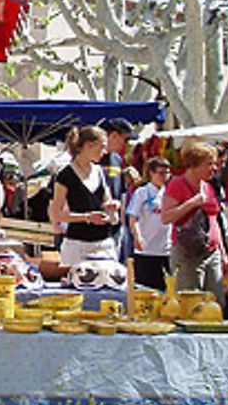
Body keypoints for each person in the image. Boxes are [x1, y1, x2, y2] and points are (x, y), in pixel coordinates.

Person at [162, 140, 225, 304]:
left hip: (211, 252)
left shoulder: (208, 187)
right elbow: (166, 217)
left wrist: (221, 250)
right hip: (187, 252)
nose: (214, 168)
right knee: (189, 303)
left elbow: (213, 219)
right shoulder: (177, 184)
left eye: (214, 164)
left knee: (217, 301)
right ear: (194, 165)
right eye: (209, 164)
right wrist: (191, 203)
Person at [49, 125, 121, 267]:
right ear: (89, 145)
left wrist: (113, 206)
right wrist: (87, 217)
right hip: (77, 244)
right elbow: (56, 214)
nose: (104, 152)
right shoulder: (65, 175)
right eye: (102, 147)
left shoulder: (101, 172)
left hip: (104, 244)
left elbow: (108, 204)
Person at [126, 156, 172, 291]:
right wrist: (137, 236)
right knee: (145, 289)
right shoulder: (142, 193)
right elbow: (133, 217)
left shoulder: (169, 193)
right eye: (161, 173)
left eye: (167, 173)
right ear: (151, 173)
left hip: (165, 249)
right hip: (146, 250)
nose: (164, 177)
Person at [101, 117, 135, 260]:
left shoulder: (117, 160)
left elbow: (121, 193)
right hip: (95, 223)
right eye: (125, 139)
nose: (125, 145)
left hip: (114, 224)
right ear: (113, 135)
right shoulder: (92, 159)